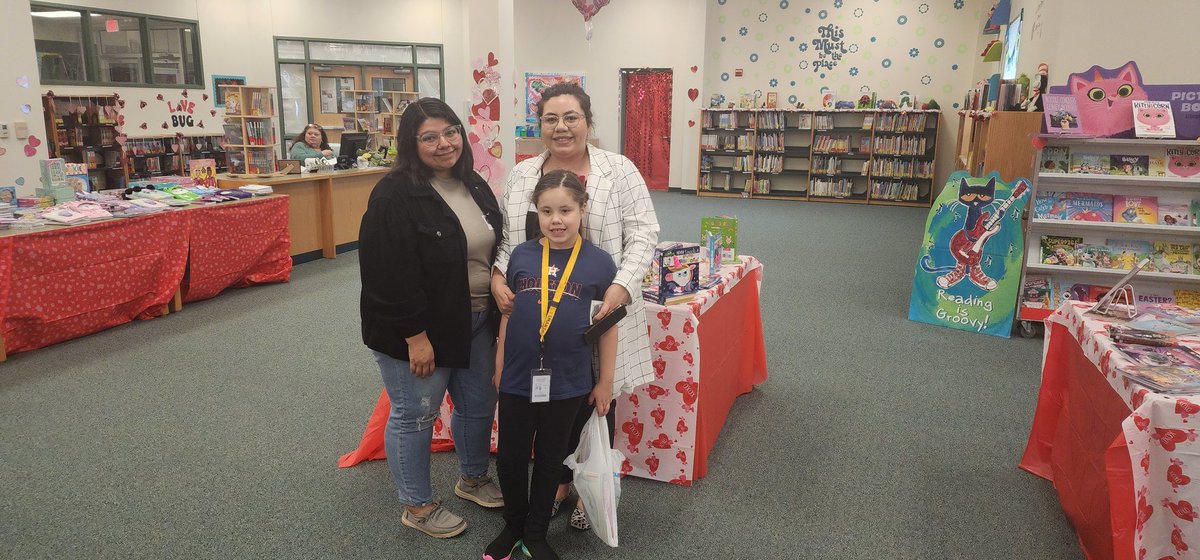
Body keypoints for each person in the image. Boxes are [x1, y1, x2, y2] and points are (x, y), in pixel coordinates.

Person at [490, 82, 659, 532]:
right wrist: (497, 276)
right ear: (540, 124)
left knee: (597, 400)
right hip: (539, 318)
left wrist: (621, 286)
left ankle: (590, 488)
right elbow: (510, 241)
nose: (561, 128)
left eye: (571, 118)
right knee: (551, 408)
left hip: (600, 308)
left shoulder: (618, 170)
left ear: (588, 122)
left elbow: (645, 234)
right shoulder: (524, 174)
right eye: (551, 119)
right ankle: (559, 482)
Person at [358, 97, 504, 539]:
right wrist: (415, 337)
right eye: (429, 137)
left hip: (476, 318)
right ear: (411, 143)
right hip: (419, 328)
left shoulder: (474, 183)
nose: (444, 144)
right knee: (415, 414)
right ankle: (417, 505)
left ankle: (473, 477)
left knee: (479, 405)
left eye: (450, 132)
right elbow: (386, 276)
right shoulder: (394, 194)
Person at [486, 170, 618, 560]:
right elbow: (509, 315)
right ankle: (513, 524)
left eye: (565, 210)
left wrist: (605, 382)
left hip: (569, 381)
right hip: (516, 377)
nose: (556, 219)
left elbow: (607, 330)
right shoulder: (523, 255)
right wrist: (499, 363)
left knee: (549, 458)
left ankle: (535, 532)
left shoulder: (600, 264)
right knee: (510, 457)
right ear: (537, 213)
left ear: (582, 210)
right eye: (546, 211)